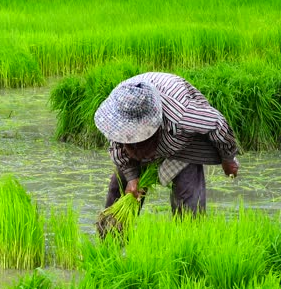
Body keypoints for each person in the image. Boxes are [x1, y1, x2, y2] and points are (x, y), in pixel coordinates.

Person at [93, 72, 240, 216]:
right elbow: (117, 147)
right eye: (131, 139)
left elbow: (217, 124)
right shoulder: (118, 111)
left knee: (188, 203)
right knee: (121, 192)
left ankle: (191, 237)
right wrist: (132, 177)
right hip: (154, 131)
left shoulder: (182, 115)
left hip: (183, 144)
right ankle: (112, 237)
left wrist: (227, 158)